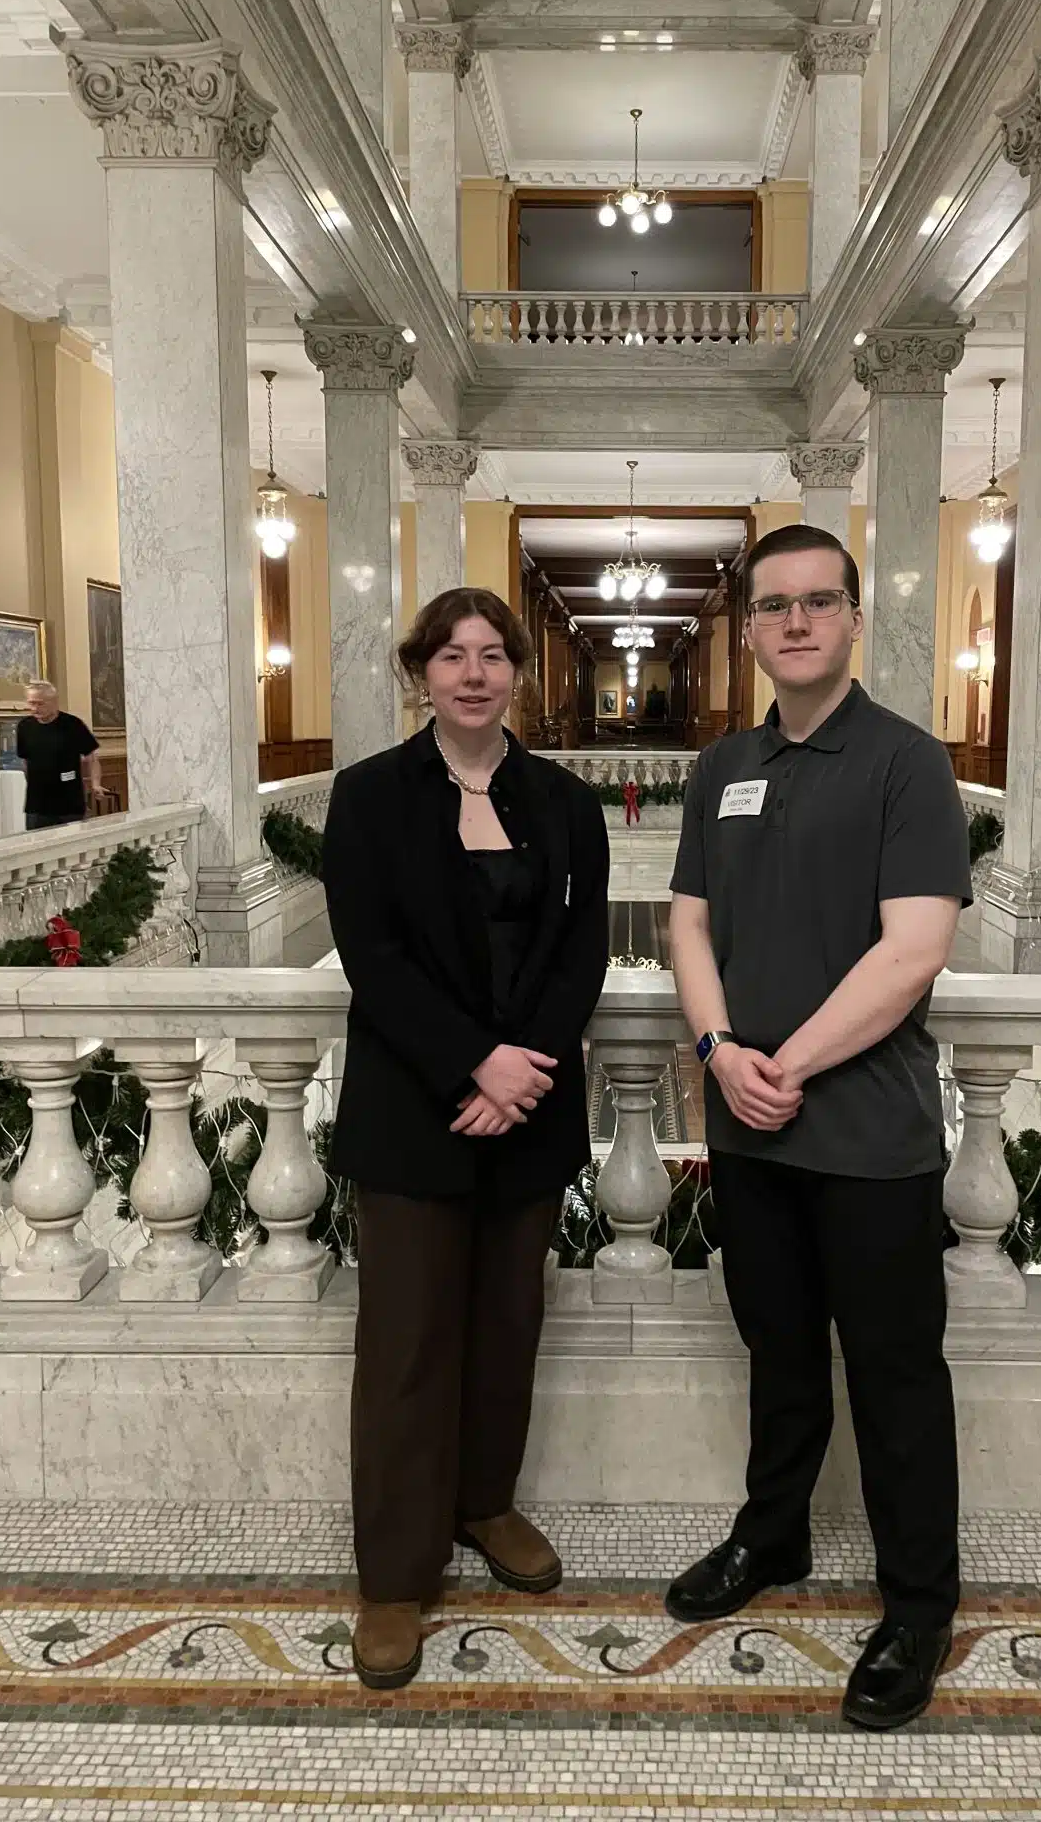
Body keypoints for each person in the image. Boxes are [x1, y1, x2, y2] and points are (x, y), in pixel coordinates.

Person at [664, 524, 971, 1732]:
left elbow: (916, 949)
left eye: (818, 602)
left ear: (853, 620)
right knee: (779, 1356)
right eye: (774, 605)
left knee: (896, 1377)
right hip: (752, 1131)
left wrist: (777, 1060)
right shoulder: (720, 766)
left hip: (871, 1136)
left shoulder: (907, 762)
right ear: (747, 630)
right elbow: (687, 925)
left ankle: (917, 1604)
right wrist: (715, 1052)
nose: (796, 622)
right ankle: (775, 1537)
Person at [322, 587, 610, 1694]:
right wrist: (470, 1063)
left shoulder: (564, 802)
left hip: (525, 1110)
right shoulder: (370, 797)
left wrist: (521, 1069)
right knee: (406, 1344)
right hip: (415, 1108)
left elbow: (580, 950)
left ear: (520, 675)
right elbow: (373, 957)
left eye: (495, 656)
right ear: (421, 673)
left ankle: (484, 1503)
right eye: (453, 656)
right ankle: (395, 1573)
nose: (476, 674)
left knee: (505, 1322)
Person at [15, 681, 104, 830]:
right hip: (37, 803)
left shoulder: (73, 725)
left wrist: (96, 784)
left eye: (40, 704)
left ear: (54, 702)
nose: (35, 709)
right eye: (31, 703)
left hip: (69, 802)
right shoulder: (24, 726)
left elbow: (92, 757)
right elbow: (25, 760)